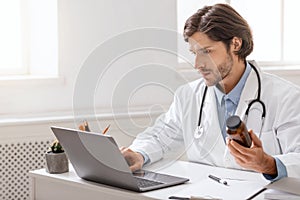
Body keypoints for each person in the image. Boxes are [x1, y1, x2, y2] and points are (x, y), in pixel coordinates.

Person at [121, 3, 300, 180]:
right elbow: (161, 137)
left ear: (235, 44)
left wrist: (268, 164)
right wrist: (138, 154)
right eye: (194, 53)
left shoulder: (287, 98)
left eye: (207, 51)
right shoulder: (188, 95)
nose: (198, 64)